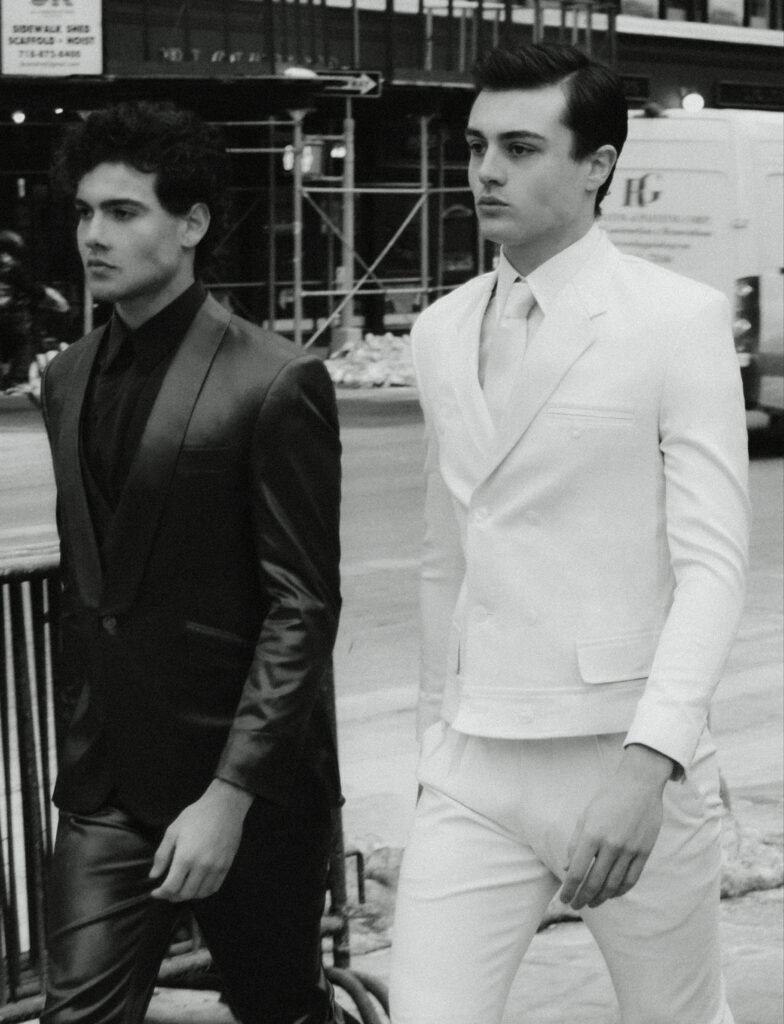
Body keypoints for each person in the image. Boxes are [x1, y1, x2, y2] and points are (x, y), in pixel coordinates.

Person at [389, 43, 749, 1024]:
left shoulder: (674, 319)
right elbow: (442, 555)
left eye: (518, 146)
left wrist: (650, 765)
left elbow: (714, 567)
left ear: (595, 165)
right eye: (473, 147)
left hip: (621, 754)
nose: (486, 172)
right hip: (472, 761)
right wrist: (431, 743)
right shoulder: (440, 329)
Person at [43, 101, 350, 1024]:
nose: (95, 236)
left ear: (191, 224)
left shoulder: (274, 379)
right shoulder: (64, 378)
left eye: (124, 212)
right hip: (106, 791)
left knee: (277, 1009)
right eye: (85, 212)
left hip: (247, 791)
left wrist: (230, 795)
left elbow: (302, 605)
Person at [0, 229, 70, 389]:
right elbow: (30, 288)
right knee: (23, 343)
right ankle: (16, 379)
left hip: (7, 312)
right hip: (10, 314)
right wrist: (47, 297)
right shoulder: (11, 266)